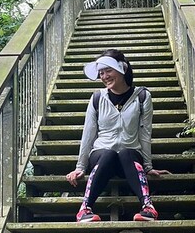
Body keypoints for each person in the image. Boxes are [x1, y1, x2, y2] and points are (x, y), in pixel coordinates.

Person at [65, 49, 169, 222]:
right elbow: (88, 133)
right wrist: (80, 167)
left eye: (108, 71)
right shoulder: (97, 97)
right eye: (101, 73)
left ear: (122, 69)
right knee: (109, 153)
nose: (105, 76)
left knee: (126, 152)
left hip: (129, 157)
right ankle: (84, 209)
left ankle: (148, 207)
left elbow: (145, 133)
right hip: (101, 157)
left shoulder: (142, 96)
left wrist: (148, 165)